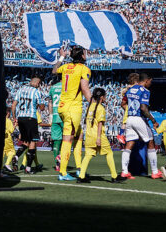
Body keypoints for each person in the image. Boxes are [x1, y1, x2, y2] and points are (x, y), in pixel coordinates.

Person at [51, 46, 92, 181]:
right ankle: (63, 172)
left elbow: (54, 70)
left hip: (63, 107)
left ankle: (79, 168)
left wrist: (62, 56)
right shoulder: (84, 69)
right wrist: (95, 104)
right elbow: (85, 88)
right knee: (68, 140)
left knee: (79, 135)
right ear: (82, 56)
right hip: (72, 109)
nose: (87, 56)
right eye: (85, 54)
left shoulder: (67, 66)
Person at [120, 73, 162, 180]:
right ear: (146, 80)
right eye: (150, 81)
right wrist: (153, 121)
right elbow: (143, 108)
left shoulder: (130, 89)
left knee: (129, 144)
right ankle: (155, 171)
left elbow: (123, 103)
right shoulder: (145, 91)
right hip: (139, 119)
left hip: (129, 119)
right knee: (150, 141)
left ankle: (124, 171)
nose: (150, 84)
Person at [77, 88, 122, 183]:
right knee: (109, 153)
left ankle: (81, 176)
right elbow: (100, 124)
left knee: (88, 155)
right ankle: (114, 176)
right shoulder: (100, 108)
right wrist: (98, 138)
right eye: (105, 96)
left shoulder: (90, 107)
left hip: (89, 135)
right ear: (102, 97)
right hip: (98, 135)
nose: (105, 98)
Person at [11, 76, 45, 174]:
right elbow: (42, 108)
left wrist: (14, 118)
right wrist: (41, 104)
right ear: (38, 84)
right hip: (31, 118)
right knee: (33, 142)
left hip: (21, 118)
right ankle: (28, 168)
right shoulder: (36, 92)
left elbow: (13, 105)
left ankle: (17, 156)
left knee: (26, 142)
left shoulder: (20, 90)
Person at [117, 73, 139, 144]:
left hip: (131, 107)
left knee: (126, 122)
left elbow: (123, 93)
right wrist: (127, 88)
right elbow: (123, 92)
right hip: (131, 107)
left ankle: (122, 134)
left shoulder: (130, 87)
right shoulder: (132, 87)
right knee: (125, 122)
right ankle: (121, 135)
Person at [48, 76, 63, 171]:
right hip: (64, 116)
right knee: (68, 139)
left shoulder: (52, 88)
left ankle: (57, 164)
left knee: (56, 141)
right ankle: (61, 156)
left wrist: (50, 115)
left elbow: (50, 102)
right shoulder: (67, 87)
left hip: (54, 116)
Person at [2, 108, 16, 173]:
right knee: (12, 151)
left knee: (2, 153)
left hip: (1, 139)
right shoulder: (8, 120)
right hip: (7, 139)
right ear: (8, 113)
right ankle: (7, 164)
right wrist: (15, 125)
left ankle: (0, 168)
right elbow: (11, 130)